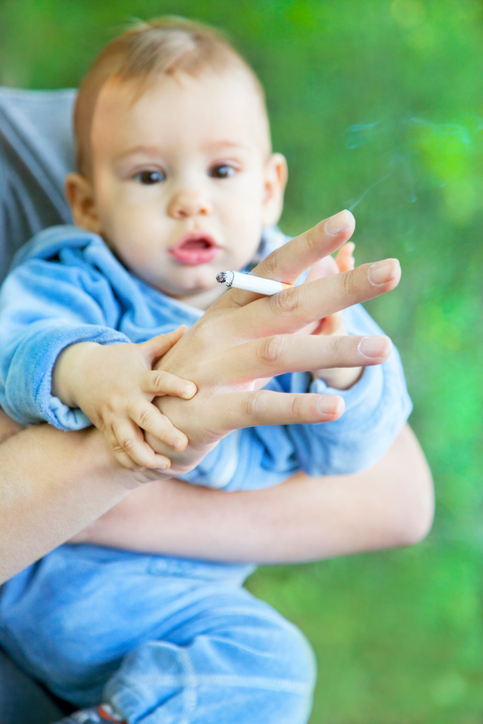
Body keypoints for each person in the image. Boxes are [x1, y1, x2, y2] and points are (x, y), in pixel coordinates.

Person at [0, 18, 432, 724]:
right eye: (149, 175)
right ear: (85, 203)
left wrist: (340, 371)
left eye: (222, 171)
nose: (190, 200)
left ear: (269, 189)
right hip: (54, 577)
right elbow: (18, 348)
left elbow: (357, 459)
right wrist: (93, 372)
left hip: (182, 601)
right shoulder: (77, 273)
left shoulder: (295, 295)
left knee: (271, 662)